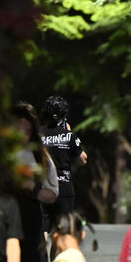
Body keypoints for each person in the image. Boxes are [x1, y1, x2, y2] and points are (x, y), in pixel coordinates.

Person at [11, 103, 59, 262]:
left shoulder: (40, 155)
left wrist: (32, 189)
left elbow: (53, 192)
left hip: (29, 221)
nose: (21, 132)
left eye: (26, 127)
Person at [41, 95, 88, 230]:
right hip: (64, 186)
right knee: (62, 227)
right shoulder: (68, 135)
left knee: (44, 226)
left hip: (44, 186)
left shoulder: (38, 134)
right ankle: (56, 252)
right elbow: (83, 159)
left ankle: (43, 251)